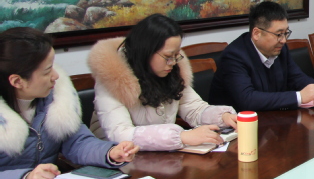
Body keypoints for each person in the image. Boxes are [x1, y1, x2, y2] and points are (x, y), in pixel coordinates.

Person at [0, 28, 138, 179]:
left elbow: (77, 143)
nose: (56, 76)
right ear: (17, 81)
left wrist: (109, 153)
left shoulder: (57, 99)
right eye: (47, 71)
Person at [88, 14, 237, 152]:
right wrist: (181, 137)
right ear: (146, 51)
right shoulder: (112, 77)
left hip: (160, 155)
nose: (173, 62)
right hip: (116, 157)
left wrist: (222, 117)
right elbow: (120, 134)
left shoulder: (170, 70)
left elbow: (194, 108)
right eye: (168, 56)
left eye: (176, 55)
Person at [209, 2, 314, 111]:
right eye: (279, 34)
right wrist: (299, 97)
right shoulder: (234, 56)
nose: (283, 40)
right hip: (236, 120)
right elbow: (248, 100)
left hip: (273, 117)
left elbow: (297, 77)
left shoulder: (280, 49)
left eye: (286, 33)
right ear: (256, 33)